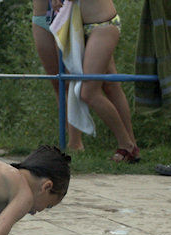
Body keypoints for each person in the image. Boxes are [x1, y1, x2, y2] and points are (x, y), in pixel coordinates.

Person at [53, 0, 138, 162]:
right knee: (111, 87)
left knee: (89, 93)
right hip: (84, 26)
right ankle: (132, 145)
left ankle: (126, 144)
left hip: (102, 26)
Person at [31, 0, 83, 150]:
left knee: (70, 81)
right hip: (41, 16)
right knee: (57, 83)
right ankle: (68, 136)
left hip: (66, 12)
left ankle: (75, 141)